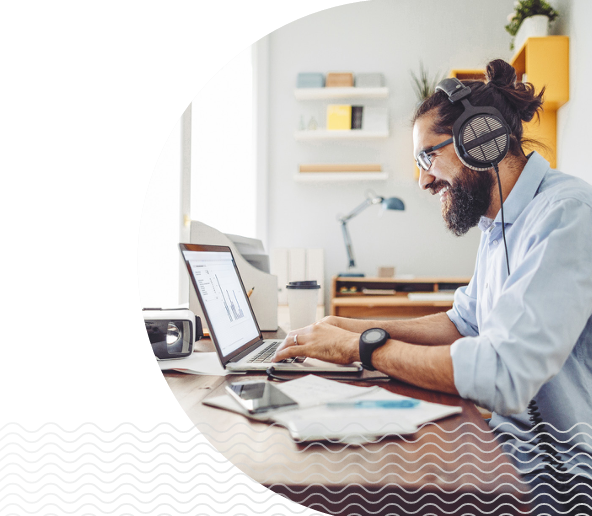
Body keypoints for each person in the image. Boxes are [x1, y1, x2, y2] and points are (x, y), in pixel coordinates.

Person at [273, 59, 592, 514]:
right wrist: (342, 325)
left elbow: (501, 373)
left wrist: (360, 346)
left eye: (427, 156)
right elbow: (463, 323)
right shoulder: (499, 223)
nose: (422, 180)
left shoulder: (566, 215)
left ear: (481, 141)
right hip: (511, 455)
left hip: (557, 482)